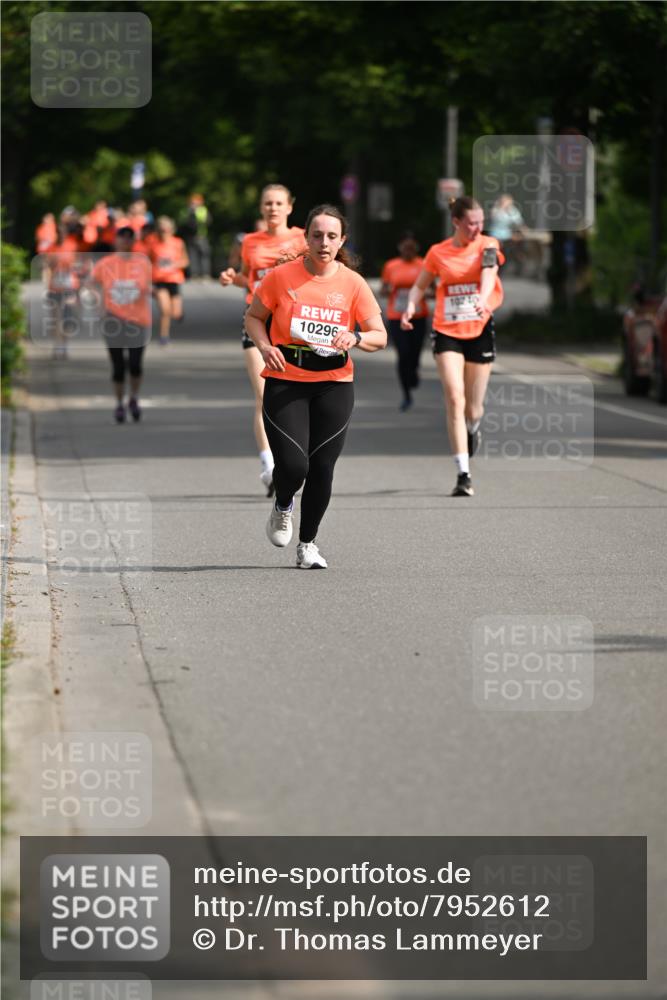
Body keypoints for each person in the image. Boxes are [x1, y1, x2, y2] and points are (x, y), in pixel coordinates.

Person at [245, 203, 387, 569]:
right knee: (294, 466)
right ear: (305, 237)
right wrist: (265, 347)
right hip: (286, 379)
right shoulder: (280, 277)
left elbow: (379, 336)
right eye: (317, 235)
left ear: (342, 241)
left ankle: (307, 544)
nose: (324, 242)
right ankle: (283, 504)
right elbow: (254, 317)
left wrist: (355, 337)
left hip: (334, 383)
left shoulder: (353, 284)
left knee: (323, 466)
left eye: (332, 236)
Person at [401, 195, 504, 497]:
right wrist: (410, 307)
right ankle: (463, 473)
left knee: (474, 407)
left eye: (480, 222)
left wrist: (482, 302)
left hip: (479, 328)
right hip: (447, 329)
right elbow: (420, 285)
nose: (477, 228)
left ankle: (473, 429)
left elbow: (488, 275)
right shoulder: (438, 252)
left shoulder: (488, 245)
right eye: (471, 223)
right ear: (456, 222)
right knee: (454, 397)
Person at [219, 185, 306, 496]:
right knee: (264, 394)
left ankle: (291, 457)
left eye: (279, 203)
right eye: (268, 203)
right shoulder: (251, 242)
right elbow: (249, 276)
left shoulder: (302, 238)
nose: (273, 208)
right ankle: (269, 466)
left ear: (289, 207)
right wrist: (234, 279)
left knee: (294, 393)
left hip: (292, 323)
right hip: (256, 320)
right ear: (261, 207)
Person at [89, 227, 152, 423]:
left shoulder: (143, 263)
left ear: (134, 242)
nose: (125, 242)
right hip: (112, 319)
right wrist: (98, 302)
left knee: (134, 364)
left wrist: (154, 291)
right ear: (115, 241)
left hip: (138, 320)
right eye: (121, 238)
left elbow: (149, 285)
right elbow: (91, 284)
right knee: (117, 366)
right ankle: (118, 403)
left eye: (129, 238)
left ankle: (133, 398)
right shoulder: (105, 263)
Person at [380, 232, 430, 411]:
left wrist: (419, 293)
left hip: (418, 316)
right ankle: (406, 394)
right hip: (397, 316)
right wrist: (392, 290)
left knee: (415, 352)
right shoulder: (391, 266)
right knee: (403, 353)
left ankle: (414, 370)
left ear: (416, 248)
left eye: (412, 248)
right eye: (405, 247)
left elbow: (434, 290)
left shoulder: (424, 264)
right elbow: (383, 291)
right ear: (400, 248)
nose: (408, 251)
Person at [149, 216, 188, 345]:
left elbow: (185, 261)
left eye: (166, 230)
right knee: (165, 310)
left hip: (174, 279)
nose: (163, 233)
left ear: (171, 230)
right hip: (159, 280)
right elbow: (147, 261)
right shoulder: (152, 243)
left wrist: (174, 265)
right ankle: (164, 336)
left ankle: (179, 313)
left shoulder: (178, 243)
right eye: (161, 230)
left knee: (175, 314)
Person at [488, 194, 525, 274]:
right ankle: (493, 269)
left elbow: (518, 222)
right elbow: (496, 218)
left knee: (511, 250)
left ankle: (511, 267)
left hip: (507, 236)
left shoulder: (512, 210)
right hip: (496, 235)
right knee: (496, 254)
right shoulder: (496, 210)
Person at [182, 194, 212, 278]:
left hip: (201, 236)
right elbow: (184, 223)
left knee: (204, 255)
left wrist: (195, 214)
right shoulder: (187, 211)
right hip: (191, 237)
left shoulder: (203, 210)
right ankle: (194, 274)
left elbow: (208, 222)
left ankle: (205, 274)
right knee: (192, 256)